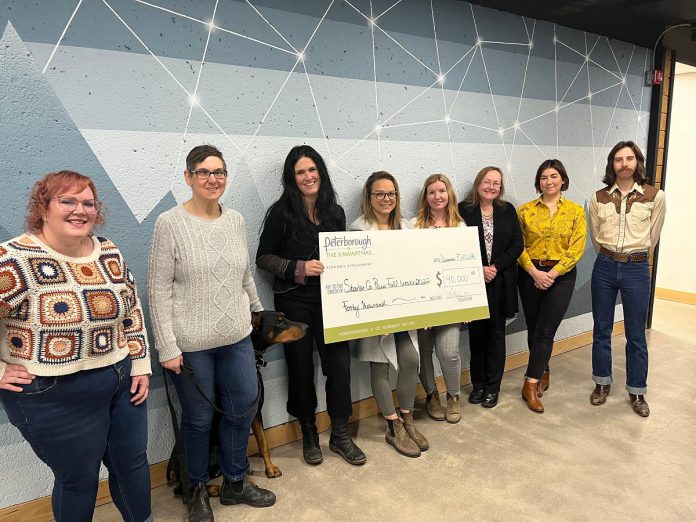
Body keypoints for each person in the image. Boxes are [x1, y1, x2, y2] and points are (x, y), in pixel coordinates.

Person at [0, 171, 152, 522]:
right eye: (67, 201)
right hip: (51, 394)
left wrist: (140, 362)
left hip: (121, 379)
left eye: (88, 203)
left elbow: (131, 309)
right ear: (43, 207)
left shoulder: (107, 250)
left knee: (132, 464)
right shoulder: (15, 259)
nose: (79, 210)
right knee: (79, 480)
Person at [148, 145, 275, 522]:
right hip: (191, 345)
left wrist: (257, 310)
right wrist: (167, 346)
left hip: (236, 337)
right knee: (199, 419)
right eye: (203, 172)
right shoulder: (169, 224)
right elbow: (158, 289)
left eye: (218, 172)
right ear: (188, 178)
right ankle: (197, 489)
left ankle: (236, 481)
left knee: (242, 409)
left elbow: (242, 275)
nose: (212, 179)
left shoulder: (235, 219)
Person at [256, 145, 366, 467]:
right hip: (294, 302)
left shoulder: (335, 212)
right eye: (300, 172)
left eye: (312, 169)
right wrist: (298, 268)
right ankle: (308, 432)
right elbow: (263, 258)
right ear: (292, 178)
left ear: (321, 172)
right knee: (301, 368)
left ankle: (341, 433)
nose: (308, 176)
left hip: (333, 300)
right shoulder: (280, 213)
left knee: (339, 367)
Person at [349, 171, 427, 458]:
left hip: (403, 310)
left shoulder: (407, 229)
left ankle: (407, 417)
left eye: (391, 193)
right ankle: (393, 426)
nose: (386, 199)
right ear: (369, 198)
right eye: (379, 194)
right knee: (379, 367)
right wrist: (374, 315)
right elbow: (354, 277)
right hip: (372, 313)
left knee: (410, 360)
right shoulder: (358, 230)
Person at [588, 141, 666, 417]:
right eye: (618, 159)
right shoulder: (598, 197)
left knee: (636, 334)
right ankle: (601, 383)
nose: (624, 164)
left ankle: (637, 391)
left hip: (636, 268)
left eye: (629, 158)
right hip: (605, 265)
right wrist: (610, 256)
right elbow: (596, 236)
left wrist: (635, 257)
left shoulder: (654, 196)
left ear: (638, 162)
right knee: (602, 329)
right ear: (612, 164)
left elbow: (652, 237)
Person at [517, 160, 586, 413]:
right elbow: (518, 245)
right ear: (539, 182)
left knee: (546, 331)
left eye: (554, 176)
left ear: (563, 180)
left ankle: (530, 384)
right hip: (529, 273)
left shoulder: (576, 211)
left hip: (562, 275)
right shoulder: (524, 211)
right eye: (544, 177)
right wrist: (535, 272)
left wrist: (552, 274)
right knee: (534, 328)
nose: (549, 181)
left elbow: (576, 248)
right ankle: (543, 369)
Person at [458, 167, 523, 408]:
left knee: (496, 335)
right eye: (487, 181)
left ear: (501, 187)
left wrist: (495, 266)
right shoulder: (464, 210)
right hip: (474, 283)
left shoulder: (507, 210)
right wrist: (478, 268)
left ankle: (493, 387)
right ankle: (478, 385)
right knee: (476, 336)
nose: (491, 187)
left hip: (500, 281)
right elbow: (457, 245)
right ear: (478, 184)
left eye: (496, 183)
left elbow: (517, 245)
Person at [412, 174, 466, 423]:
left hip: (450, 303)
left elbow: (466, 268)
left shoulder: (460, 227)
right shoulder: (413, 226)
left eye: (441, 191)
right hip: (422, 302)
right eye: (431, 192)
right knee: (423, 353)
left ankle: (453, 396)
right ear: (426, 197)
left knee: (449, 352)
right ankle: (432, 394)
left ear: (449, 194)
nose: (437, 196)